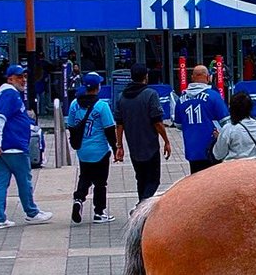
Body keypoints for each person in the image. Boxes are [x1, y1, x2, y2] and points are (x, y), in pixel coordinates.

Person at [0, 64, 53, 228]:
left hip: (6, 146)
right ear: (10, 78)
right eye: (19, 77)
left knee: (1, 181)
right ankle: (31, 212)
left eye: (24, 77)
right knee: (24, 180)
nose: (23, 80)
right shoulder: (10, 94)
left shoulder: (6, 94)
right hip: (14, 145)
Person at [115, 62, 172, 204]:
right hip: (150, 145)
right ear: (146, 76)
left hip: (133, 146)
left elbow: (119, 124)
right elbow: (157, 122)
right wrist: (166, 140)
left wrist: (119, 145)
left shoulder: (122, 97)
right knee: (153, 180)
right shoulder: (150, 94)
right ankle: (141, 206)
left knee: (141, 179)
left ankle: (141, 209)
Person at [66, 73, 118, 224]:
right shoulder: (102, 106)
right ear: (98, 88)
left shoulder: (74, 104)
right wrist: (116, 149)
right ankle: (99, 212)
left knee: (85, 176)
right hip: (100, 150)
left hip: (82, 150)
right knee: (100, 182)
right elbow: (109, 129)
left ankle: (79, 199)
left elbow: (71, 126)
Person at [174, 65, 229, 174]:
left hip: (192, 150)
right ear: (208, 77)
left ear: (192, 78)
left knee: (196, 181)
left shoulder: (181, 99)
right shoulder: (214, 96)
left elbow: (178, 125)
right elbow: (226, 122)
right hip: (212, 149)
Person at [213, 91, 256, 162]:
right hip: (254, 165)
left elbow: (218, 154)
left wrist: (219, 138)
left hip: (232, 168)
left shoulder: (229, 128)